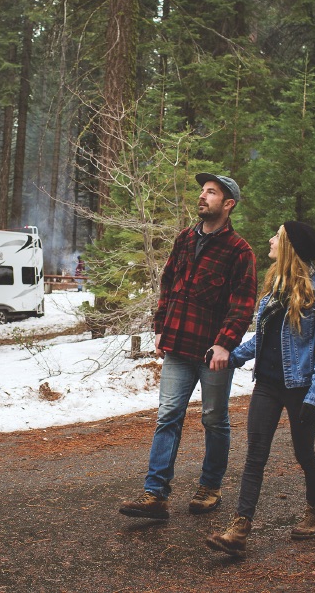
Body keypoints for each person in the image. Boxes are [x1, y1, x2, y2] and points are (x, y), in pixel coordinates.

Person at [119, 173, 257, 520]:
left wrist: (225, 344)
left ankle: (210, 487)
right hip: (178, 346)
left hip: (213, 354)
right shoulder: (184, 239)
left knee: (214, 419)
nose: (202, 196)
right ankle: (155, 495)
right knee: (168, 416)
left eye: (211, 192)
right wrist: (160, 328)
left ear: (228, 205)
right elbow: (168, 285)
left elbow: (243, 304)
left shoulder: (240, 251)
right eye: (202, 190)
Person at [205, 220, 315, 556]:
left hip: (299, 388)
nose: (270, 240)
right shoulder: (274, 290)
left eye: (277, 237)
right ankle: (239, 528)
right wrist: (229, 356)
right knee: (255, 457)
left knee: (304, 454)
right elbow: (260, 342)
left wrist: (314, 397)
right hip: (266, 385)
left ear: (291, 246)